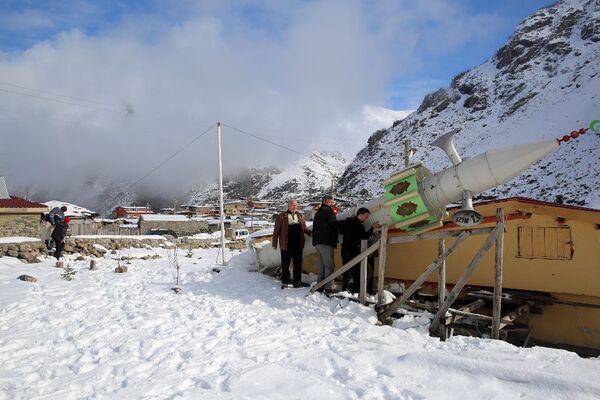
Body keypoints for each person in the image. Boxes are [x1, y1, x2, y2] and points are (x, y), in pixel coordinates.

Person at [339, 207, 380, 294]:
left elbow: (341, 230)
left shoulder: (348, 221)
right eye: (365, 216)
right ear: (360, 215)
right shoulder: (359, 226)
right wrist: (372, 228)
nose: (366, 218)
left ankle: (347, 289)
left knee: (349, 271)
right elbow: (364, 237)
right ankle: (355, 290)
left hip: (345, 249)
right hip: (353, 250)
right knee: (365, 270)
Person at [272, 199, 312, 287]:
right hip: (286, 245)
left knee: (298, 264)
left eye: (296, 205)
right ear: (288, 206)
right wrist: (274, 243)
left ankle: (297, 282)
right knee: (285, 264)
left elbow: (304, 228)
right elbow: (276, 231)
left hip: (298, 245)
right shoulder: (281, 216)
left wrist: (312, 233)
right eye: (293, 205)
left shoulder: (300, 216)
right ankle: (285, 282)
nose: (295, 207)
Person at [312, 195, 338, 292]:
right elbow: (334, 224)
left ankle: (319, 285)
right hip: (326, 242)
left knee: (322, 265)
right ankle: (328, 287)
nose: (332, 204)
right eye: (330, 202)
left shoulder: (319, 211)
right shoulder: (328, 211)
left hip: (317, 242)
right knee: (329, 265)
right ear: (325, 202)